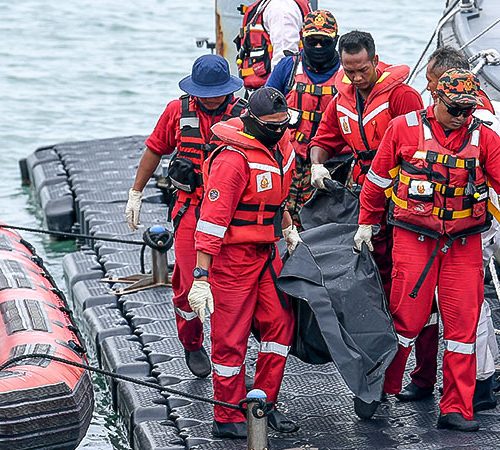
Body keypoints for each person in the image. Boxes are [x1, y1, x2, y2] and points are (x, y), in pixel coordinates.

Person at [356, 68, 500, 431]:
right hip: (413, 238)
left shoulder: (483, 138)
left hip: (463, 244)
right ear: (436, 98)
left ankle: (456, 407)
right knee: (405, 321)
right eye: (454, 108)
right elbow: (377, 180)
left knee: (463, 330)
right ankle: (379, 389)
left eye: (467, 110)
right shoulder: (403, 129)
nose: (460, 117)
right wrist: (366, 222)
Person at [396, 46, 500, 411]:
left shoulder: (483, 129)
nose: (426, 89)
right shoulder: (409, 128)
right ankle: (418, 378)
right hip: (421, 231)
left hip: (471, 230)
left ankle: (478, 385)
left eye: (431, 81)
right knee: (416, 312)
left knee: (467, 312)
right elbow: (382, 175)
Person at [187, 87, 302, 439]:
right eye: (273, 125)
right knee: (230, 339)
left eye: (284, 124)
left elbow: (276, 200)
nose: (280, 130)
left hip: (266, 254)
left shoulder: (282, 145)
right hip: (232, 260)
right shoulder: (232, 160)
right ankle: (226, 414)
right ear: (251, 122)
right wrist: (201, 276)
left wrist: (289, 229)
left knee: (281, 325)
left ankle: (263, 405)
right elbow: (210, 222)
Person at [125, 54, 246, 379]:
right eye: (205, 93)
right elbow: (154, 148)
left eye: (217, 92)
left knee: (231, 286)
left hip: (233, 213)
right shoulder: (177, 111)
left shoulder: (245, 115)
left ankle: (231, 352)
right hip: (190, 208)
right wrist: (136, 192)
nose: (211, 99)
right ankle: (192, 343)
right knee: (186, 285)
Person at [307, 29, 422, 335]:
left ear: (375, 60)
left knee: (404, 269)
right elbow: (323, 138)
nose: (356, 78)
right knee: (369, 260)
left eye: (362, 70)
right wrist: (317, 165)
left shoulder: (402, 97)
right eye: (349, 71)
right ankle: (373, 326)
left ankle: (406, 336)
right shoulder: (342, 96)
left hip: (401, 194)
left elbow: (421, 153)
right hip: (362, 188)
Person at [264, 9, 341, 227]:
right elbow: (264, 106)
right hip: (289, 160)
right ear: (302, 39)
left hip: (332, 165)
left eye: (324, 41)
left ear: (334, 40)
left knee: (324, 222)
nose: (318, 47)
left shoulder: (347, 73)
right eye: (312, 40)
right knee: (283, 218)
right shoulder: (288, 68)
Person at [235, 0, 311, 90]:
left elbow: (284, 57)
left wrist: (274, 94)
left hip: (272, 91)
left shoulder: (281, 7)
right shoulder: (271, 5)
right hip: (263, 89)